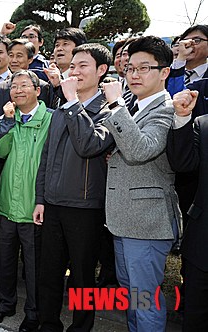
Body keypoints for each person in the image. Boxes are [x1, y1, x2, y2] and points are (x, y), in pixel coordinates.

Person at [33, 43, 114, 332]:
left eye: (83, 66)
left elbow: (89, 144)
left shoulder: (109, 111)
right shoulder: (61, 109)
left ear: (101, 70)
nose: (75, 71)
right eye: (73, 65)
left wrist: (71, 103)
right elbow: (47, 156)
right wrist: (41, 198)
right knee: (49, 273)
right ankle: (48, 324)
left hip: (85, 208)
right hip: (52, 204)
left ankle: (81, 327)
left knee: (82, 277)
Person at [101, 36, 181, 332]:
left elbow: (140, 150)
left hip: (147, 224)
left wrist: (116, 105)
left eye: (143, 68)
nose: (133, 74)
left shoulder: (167, 109)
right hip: (123, 219)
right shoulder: (133, 106)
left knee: (145, 298)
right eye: (130, 68)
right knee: (131, 295)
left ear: (164, 72)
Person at [0, 70, 52, 332]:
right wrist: (6, 123)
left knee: (35, 267)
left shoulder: (51, 120)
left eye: (25, 85)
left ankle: (34, 313)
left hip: (35, 207)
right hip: (5, 204)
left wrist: (43, 199)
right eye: (14, 86)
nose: (18, 90)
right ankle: (5, 305)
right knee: (4, 260)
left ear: (38, 90)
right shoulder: (8, 120)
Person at [167, 89, 208, 331]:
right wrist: (181, 117)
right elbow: (182, 163)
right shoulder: (202, 126)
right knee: (195, 317)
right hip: (202, 246)